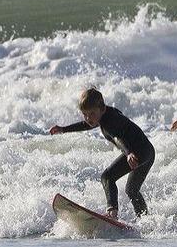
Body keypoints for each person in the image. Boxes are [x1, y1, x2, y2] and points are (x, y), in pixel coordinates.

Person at [50, 88, 155, 219]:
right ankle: (145, 220)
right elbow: (87, 124)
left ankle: (112, 212)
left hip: (136, 152)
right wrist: (63, 129)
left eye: (92, 113)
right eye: (85, 114)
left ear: (102, 109)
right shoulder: (106, 115)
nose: (88, 118)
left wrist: (128, 153)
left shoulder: (109, 122)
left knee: (107, 177)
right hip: (149, 152)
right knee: (132, 190)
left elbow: (117, 137)